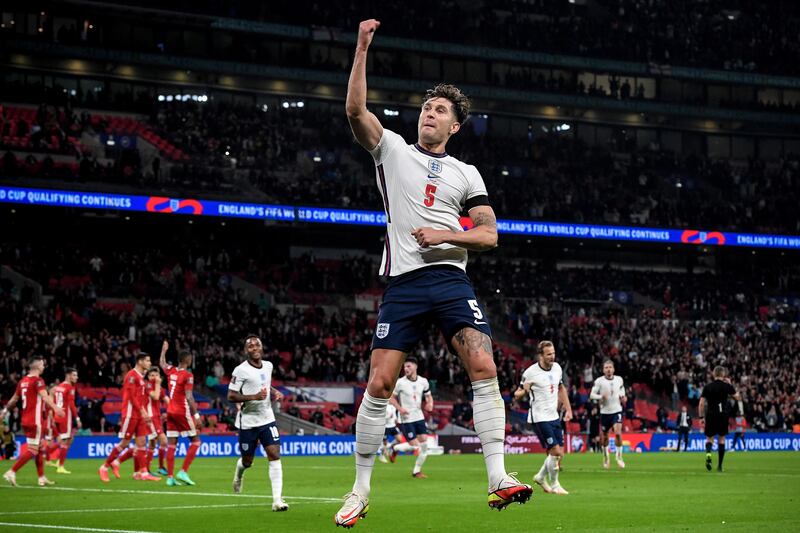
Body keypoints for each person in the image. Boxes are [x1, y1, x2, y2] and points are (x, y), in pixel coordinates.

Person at [335, 19, 531, 527]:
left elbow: (489, 235)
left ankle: (498, 478)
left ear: (454, 126)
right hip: (403, 283)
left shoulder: (468, 173)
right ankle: (358, 491)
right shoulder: (392, 149)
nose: (430, 112)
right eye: (427, 106)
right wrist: (360, 49)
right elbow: (355, 111)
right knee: (378, 383)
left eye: (440, 109)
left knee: (484, 366)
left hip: (449, 279)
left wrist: (448, 235)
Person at [228, 335, 287, 512]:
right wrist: (253, 397)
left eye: (257, 345)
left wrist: (274, 392)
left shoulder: (268, 366)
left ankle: (277, 500)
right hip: (248, 422)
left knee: (274, 453)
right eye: (250, 346)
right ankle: (239, 474)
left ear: (261, 348)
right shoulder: (240, 370)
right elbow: (231, 396)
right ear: (246, 350)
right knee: (247, 461)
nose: (254, 348)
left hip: (267, 418)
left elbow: (265, 385)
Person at [514, 341, 573, 496]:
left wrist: (568, 409)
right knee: (554, 451)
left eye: (553, 353)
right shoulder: (530, 372)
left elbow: (561, 388)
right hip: (539, 417)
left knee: (560, 453)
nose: (552, 356)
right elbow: (517, 394)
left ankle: (540, 477)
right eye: (548, 354)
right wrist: (524, 391)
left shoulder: (557, 368)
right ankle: (555, 484)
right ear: (541, 355)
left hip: (554, 416)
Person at [1, 356, 64, 486]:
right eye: (42, 364)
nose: (43, 366)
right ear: (36, 366)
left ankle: (41, 478)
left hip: (25, 420)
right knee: (33, 450)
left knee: (39, 448)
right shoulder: (38, 381)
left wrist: (4, 412)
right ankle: (11, 472)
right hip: (35, 421)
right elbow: (45, 397)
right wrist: (56, 408)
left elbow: (13, 400)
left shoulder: (22, 381)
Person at [98, 352, 160, 482]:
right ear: (140, 362)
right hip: (131, 414)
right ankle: (104, 467)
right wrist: (143, 412)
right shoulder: (131, 376)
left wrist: (143, 412)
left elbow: (141, 398)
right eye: (147, 361)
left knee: (142, 442)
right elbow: (131, 398)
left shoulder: (141, 377)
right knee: (125, 443)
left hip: (139, 414)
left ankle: (143, 473)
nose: (149, 363)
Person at [160, 340, 202, 487]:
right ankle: (183, 471)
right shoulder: (188, 375)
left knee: (172, 444)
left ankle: (170, 478)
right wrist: (196, 416)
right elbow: (189, 396)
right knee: (196, 441)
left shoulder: (170, 370)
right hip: (181, 411)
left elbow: (162, 364)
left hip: (169, 411)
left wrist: (164, 350)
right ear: (187, 360)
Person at [387, 358, 433, 477]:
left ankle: (416, 471)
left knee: (424, 446)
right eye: (405, 367)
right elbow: (391, 398)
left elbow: (429, 396)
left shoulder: (423, 381)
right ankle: (395, 448)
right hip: (406, 418)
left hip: (419, 416)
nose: (406, 369)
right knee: (415, 445)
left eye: (408, 366)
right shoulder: (400, 383)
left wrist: (430, 404)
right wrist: (400, 408)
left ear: (415, 366)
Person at [698, 366, 742, 472]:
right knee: (721, 439)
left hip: (711, 414)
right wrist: (730, 384)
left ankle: (708, 454)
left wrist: (701, 417)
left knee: (709, 438)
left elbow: (701, 404)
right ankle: (720, 466)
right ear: (723, 375)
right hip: (722, 415)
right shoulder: (726, 386)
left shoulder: (708, 387)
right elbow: (738, 398)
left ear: (714, 374)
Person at [590, 360, 627, 469]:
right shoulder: (599, 381)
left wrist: (623, 396)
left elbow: (622, 389)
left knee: (618, 433)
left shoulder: (619, 379)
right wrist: (601, 396)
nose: (608, 369)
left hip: (617, 410)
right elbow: (592, 395)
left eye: (610, 367)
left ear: (613, 369)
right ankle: (606, 457)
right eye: (606, 367)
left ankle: (619, 457)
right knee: (605, 436)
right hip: (605, 412)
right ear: (603, 370)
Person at [49, 368, 81, 473]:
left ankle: (57, 460)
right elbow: (71, 404)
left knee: (69, 439)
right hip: (65, 416)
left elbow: (54, 402)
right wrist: (77, 418)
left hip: (58, 416)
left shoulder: (59, 387)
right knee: (64, 441)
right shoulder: (70, 387)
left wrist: (54, 416)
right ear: (68, 375)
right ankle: (60, 466)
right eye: (74, 375)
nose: (76, 377)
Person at [145, 367, 169, 477]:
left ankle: (147, 469)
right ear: (148, 377)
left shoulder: (160, 388)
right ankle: (160, 467)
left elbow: (168, 401)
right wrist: (158, 384)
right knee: (163, 441)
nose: (154, 377)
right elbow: (155, 397)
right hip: (150, 417)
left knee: (152, 444)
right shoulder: (148, 385)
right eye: (151, 375)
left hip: (157, 418)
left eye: (156, 375)